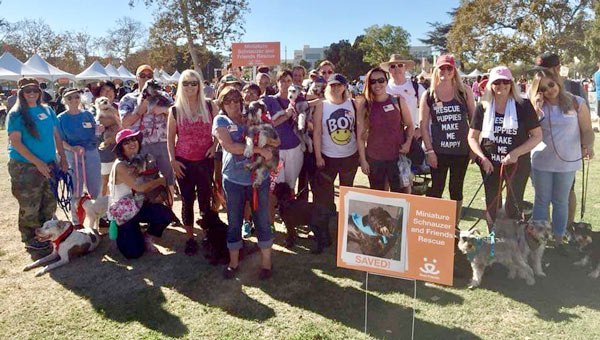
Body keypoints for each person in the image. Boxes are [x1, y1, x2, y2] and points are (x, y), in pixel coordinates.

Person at [212, 86, 277, 280]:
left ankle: (266, 263)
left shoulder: (251, 116)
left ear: (241, 102)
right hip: (233, 179)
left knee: (262, 219)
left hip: (259, 178)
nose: (232, 104)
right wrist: (259, 149)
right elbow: (230, 146)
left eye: (235, 100)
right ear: (222, 104)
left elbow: (276, 141)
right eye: (227, 101)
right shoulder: (220, 120)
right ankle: (233, 263)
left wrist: (268, 141)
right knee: (234, 222)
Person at [468, 66, 542, 229]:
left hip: (517, 164)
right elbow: (472, 137)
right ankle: (493, 238)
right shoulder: (483, 106)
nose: (501, 85)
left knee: (513, 206)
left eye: (505, 81)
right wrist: (482, 157)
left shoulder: (523, 105)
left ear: (511, 83)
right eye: (497, 82)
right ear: (490, 85)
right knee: (492, 203)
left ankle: (512, 240)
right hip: (490, 165)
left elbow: (537, 136)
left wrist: (516, 153)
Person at [529, 69, 594, 251]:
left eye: (551, 84)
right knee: (541, 200)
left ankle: (558, 239)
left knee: (561, 201)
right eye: (543, 88)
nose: (549, 90)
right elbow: (528, 129)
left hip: (568, 162)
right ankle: (539, 240)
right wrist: (535, 107)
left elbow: (588, 131)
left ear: (557, 81)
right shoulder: (537, 105)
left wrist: (588, 146)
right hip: (541, 161)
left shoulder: (576, 102)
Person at [7, 77, 68, 257]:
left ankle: (46, 235)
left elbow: (56, 135)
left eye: (35, 91)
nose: (32, 94)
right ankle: (31, 240)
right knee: (30, 205)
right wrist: (38, 163)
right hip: (25, 167)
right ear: (21, 93)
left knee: (49, 202)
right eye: (28, 91)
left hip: (49, 164)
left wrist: (63, 158)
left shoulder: (48, 110)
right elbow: (16, 143)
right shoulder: (16, 114)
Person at [167, 69, 218, 256]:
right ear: (181, 86)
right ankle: (190, 238)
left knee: (206, 200)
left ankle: (207, 235)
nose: (190, 87)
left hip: (205, 160)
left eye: (193, 83)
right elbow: (170, 137)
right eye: (186, 83)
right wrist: (172, 160)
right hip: (183, 162)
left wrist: (215, 145)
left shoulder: (210, 106)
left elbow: (220, 127)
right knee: (188, 200)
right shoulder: (175, 110)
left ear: (199, 85)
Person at [420, 55, 475, 221]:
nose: (445, 71)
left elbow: (474, 120)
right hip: (438, 152)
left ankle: (454, 227)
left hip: (461, 151)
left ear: (454, 70)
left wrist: (474, 147)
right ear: (436, 70)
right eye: (442, 68)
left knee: (456, 190)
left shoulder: (464, 91)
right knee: (436, 189)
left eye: (449, 68)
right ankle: (433, 226)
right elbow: (423, 125)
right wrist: (429, 151)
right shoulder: (429, 95)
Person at [110, 129, 175, 259]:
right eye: (126, 142)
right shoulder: (120, 166)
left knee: (166, 214)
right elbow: (140, 188)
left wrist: (158, 189)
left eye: (134, 139)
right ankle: (125, 234)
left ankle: (147, 237)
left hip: (139, 206)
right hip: (125, 212)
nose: (132, 143)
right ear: (120, 148)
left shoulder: (141, 158)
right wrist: (160, 181)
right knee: (134, 254)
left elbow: (151, 177)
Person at [312, 73, 359, 246]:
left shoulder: (353, 104)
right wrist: (318, 156)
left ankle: (348, 234)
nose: (336, 88)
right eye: (332, 85)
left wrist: (361, 155)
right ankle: (324, 234)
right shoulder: (322, 106)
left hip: (349, 156)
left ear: (345, 87)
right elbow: (317, 132)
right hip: (327, 158)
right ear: (327, 87)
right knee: (325, 198)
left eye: (339, 85)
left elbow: (360, 130)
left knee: (347, 196)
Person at [119, 65, 175, 198]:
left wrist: (164, 110)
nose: (146, 78)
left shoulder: (164, 97)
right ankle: (146, 212)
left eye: (149, 76)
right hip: (139, 146)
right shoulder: (128, 99)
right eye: (142, 76)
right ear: (136, 78)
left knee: (168, 180)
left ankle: (169, 212)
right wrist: (141, 109)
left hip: (163, 144)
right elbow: (125, 123)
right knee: (142, 182)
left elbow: (177, 114)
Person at [358, 67, 414, 193]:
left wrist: (408, 143)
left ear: (386, 81)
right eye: (373, 81)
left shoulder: (397, 100)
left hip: (397, 158)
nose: (377, 84)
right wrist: (363, 160)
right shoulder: (365, 105)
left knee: (400, 197)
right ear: (368, 84)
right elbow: (360, 136)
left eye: (381, 80)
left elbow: (410, 125)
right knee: (378, 198)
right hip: (375, 159)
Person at [57, 88, 102, 227]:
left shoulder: (87, 115)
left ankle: (99, 217)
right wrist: (72, 148)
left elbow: (95, 133)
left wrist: (99, 131)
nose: (74, 100)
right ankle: (76, 221)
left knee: (95, 186)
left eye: (76, 97)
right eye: (70, 98)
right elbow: (59, 140)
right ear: (64, 101)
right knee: (75, 188)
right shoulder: (61, 119)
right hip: (73, 155)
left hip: (91, 152)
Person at [263, 70, 304, 190]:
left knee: (291, 184)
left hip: (294, 148)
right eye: (282, 81)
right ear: (277, 82)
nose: (285, 84)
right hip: (276, 151)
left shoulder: (299, 101)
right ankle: (276, 208)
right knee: (276, 185)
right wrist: (285, 116)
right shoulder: (269, 100)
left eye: (288, 81)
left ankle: (289, 208)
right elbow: (268, 125)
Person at [94, 81, 121, 196]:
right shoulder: (93, 109)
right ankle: (102, 207)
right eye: (105, 90)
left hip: (119, 149)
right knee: (104, 180)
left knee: (119, 181)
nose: (108, 93)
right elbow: (101, 121)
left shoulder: (119, 106)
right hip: (104, 152)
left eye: (110, 90)